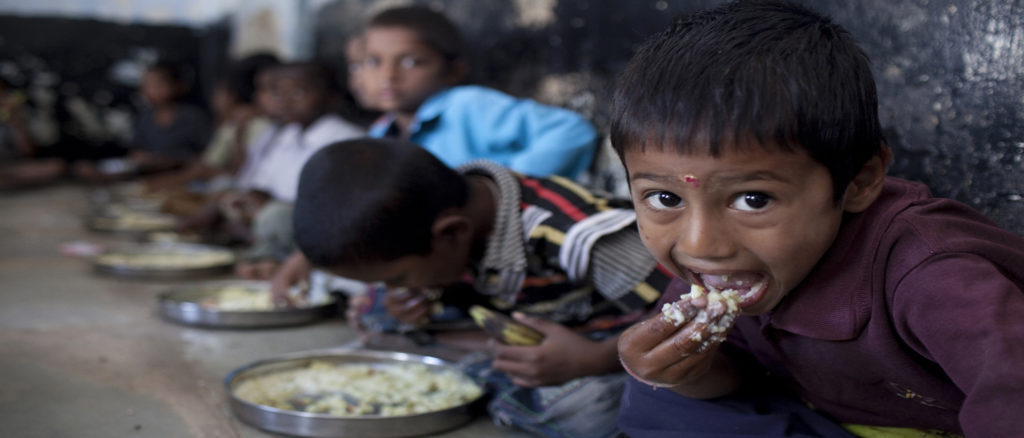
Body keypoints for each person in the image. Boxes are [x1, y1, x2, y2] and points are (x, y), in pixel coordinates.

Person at [609, 2, 1024, 437]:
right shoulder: (718, 271)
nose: (699, 244)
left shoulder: (932, 275)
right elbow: (736, 377)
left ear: (860, 181)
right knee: (654, 399)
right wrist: (684, 372)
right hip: (825, 416)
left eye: (753, 199)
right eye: (664, 197)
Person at [289, 137, 672, 437]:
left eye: (396, 279)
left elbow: (684, 315)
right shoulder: (440, 214)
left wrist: (594, 360)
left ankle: (490, 380)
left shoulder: (578, 235)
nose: (393, 286)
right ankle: (486, 366)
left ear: (452, 233)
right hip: (514, 317)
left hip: (608, 338)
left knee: (591, 411)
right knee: (374, 313)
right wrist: (397, 302)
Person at [361, 5, 597, 180]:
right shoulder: (379, 134)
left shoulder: (467, 106)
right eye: (373, 61)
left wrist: (500, 184)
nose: (387, 75)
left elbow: (572, 131)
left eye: (411, 62)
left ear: (454, 70)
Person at [228, 61, 364, 279]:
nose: (285, 102)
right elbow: (262, 185)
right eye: (279, 93)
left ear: (332, 97)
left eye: (298, 93)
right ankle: (269, 258)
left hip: (315, 226)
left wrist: (269, 208)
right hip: (281, 218)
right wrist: (248, 200)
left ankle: (280, 261)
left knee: (276, 216)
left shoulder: (345, 140)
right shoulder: (288, 134)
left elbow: (339, 208)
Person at [145, 54, 279, 194]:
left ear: (233, 95)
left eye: (219, 93)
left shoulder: (257, 125)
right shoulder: (231, 124)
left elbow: (235, 172)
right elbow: (207, 163)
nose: (215, 99)